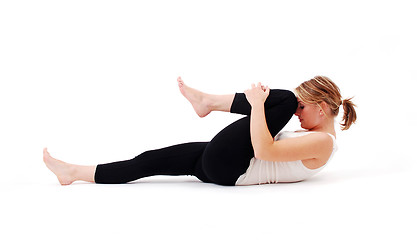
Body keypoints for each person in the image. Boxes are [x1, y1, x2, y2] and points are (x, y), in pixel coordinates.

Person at [43, 76, 357, 186]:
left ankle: (206, 101)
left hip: (233, 169)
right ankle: (73, 172)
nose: (296, 113)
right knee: (148, 160)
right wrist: (258, 105)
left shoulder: (324, 143)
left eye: (302, 107)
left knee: (283, 97)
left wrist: (259, 104)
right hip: (218, 165)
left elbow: (263, 151)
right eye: (298, 107)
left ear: (321, 105)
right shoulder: (312, 138)